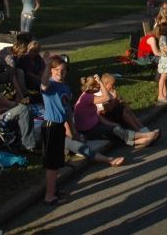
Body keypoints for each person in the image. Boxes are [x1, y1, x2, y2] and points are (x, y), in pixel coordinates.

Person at [39, 52, 124, 208]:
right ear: (51, 71)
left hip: (61, 126)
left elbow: (68, 111)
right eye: (56, 70)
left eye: (63, 70)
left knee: (57, 161)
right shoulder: (49, 85)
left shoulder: (65, 87)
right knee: (51, 163)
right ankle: (49, 196)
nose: (59, 73)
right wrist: (46, 65)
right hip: (51, 125)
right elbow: (43, 82)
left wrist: (73, 130)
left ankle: (54, 190)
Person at [73, 76, 158, 147]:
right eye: (98, 86)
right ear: (92, 87)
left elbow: (96, 116)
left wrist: (110, 124)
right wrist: (101, 82)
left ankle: (143, 141)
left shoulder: (88, 95)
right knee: (115, 130)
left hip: (93, 126)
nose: (99, 88)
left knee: (115, 130)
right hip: (88, 130)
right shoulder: (87, 97)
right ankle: (145, 135)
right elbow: (107, 98)